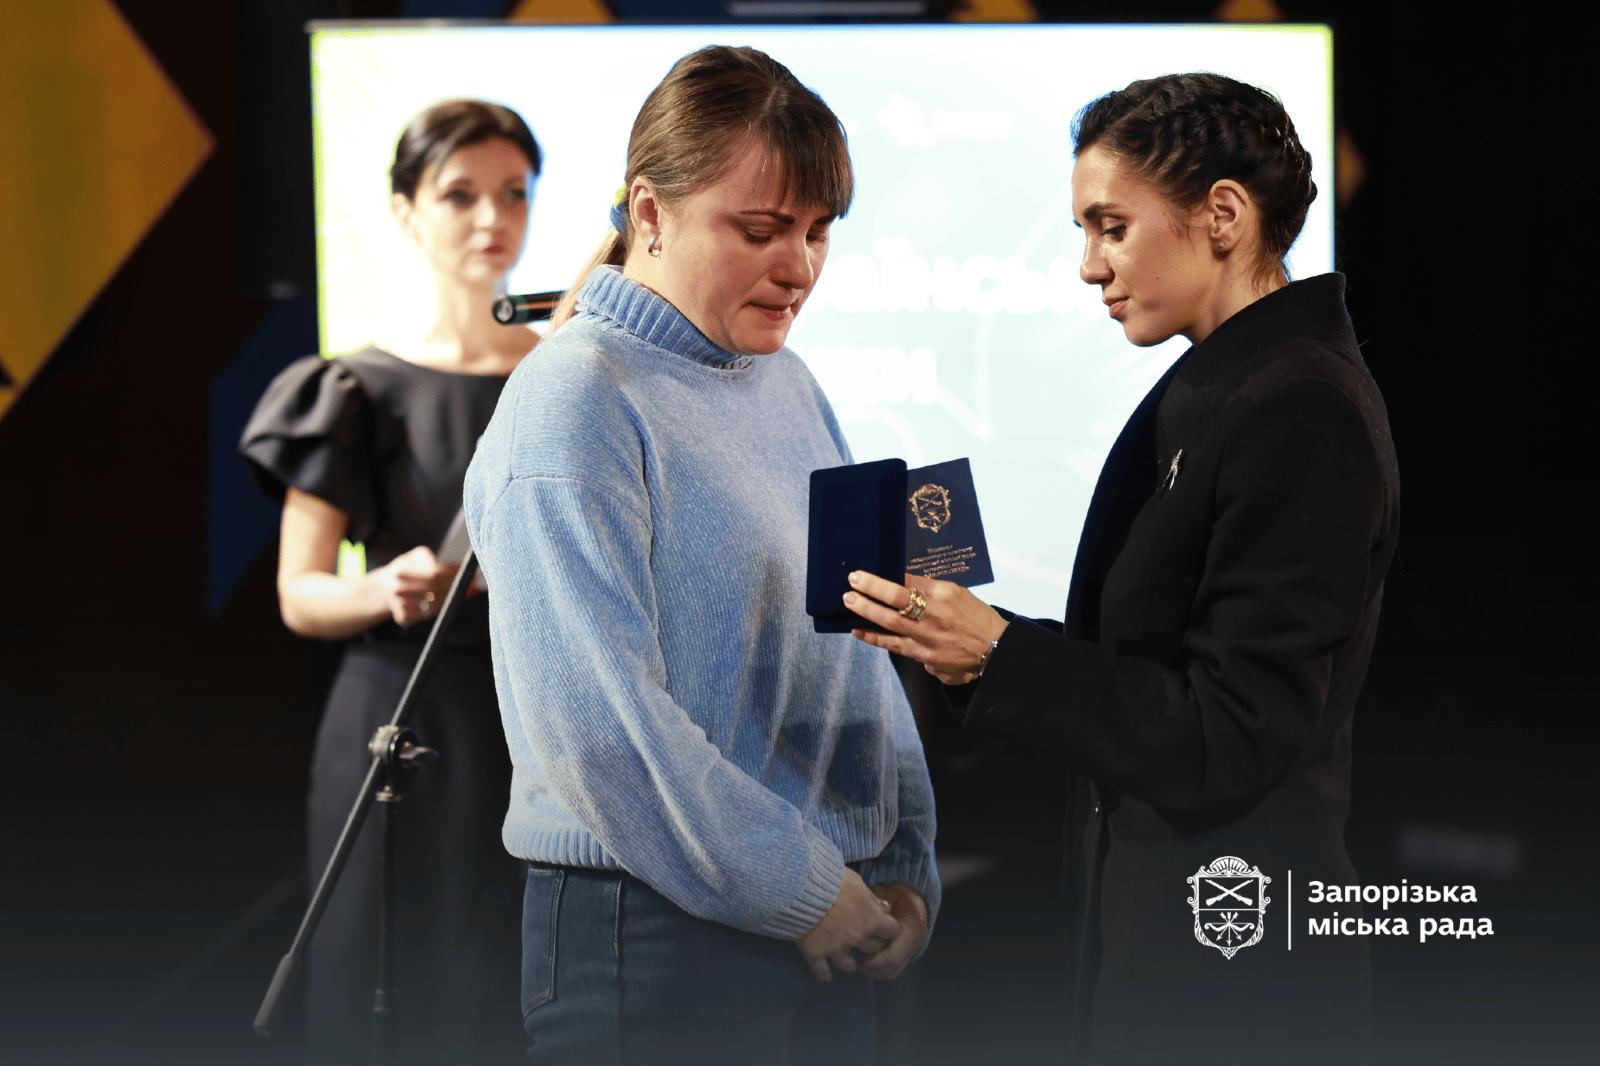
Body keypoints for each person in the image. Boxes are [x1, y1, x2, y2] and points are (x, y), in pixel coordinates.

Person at [842, 73, 1400, 1065]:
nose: (1088, 266)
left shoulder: (1297, 410)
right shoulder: (1228, 384)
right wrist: (972, 646)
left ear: (1222, 214)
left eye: (1111, 227)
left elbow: (1231, 733)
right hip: (1174, 949)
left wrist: (1005, 654)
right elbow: (1151, 666)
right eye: (1082, 232)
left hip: (1238, 975)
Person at [463, 45, 939, 1066]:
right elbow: (599, 729)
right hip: (650, 931)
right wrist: (803, 889)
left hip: (830, 913)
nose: (798, 265)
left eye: (818, 232)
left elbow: (857, 646)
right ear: (650, 212)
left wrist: (904, 860)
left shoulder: (787, 380)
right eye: (760, 231)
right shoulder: (576, 399)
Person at [240, 98, 541, 1065]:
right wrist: (386, 588)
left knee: (521, 990)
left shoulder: (565, 384)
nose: (492, 217)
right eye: (460, 194)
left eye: (514, 193)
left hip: (539, 724)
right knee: (386, 990)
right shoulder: (354, 388)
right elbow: (300, 593)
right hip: (400, 721)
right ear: (408, 211)